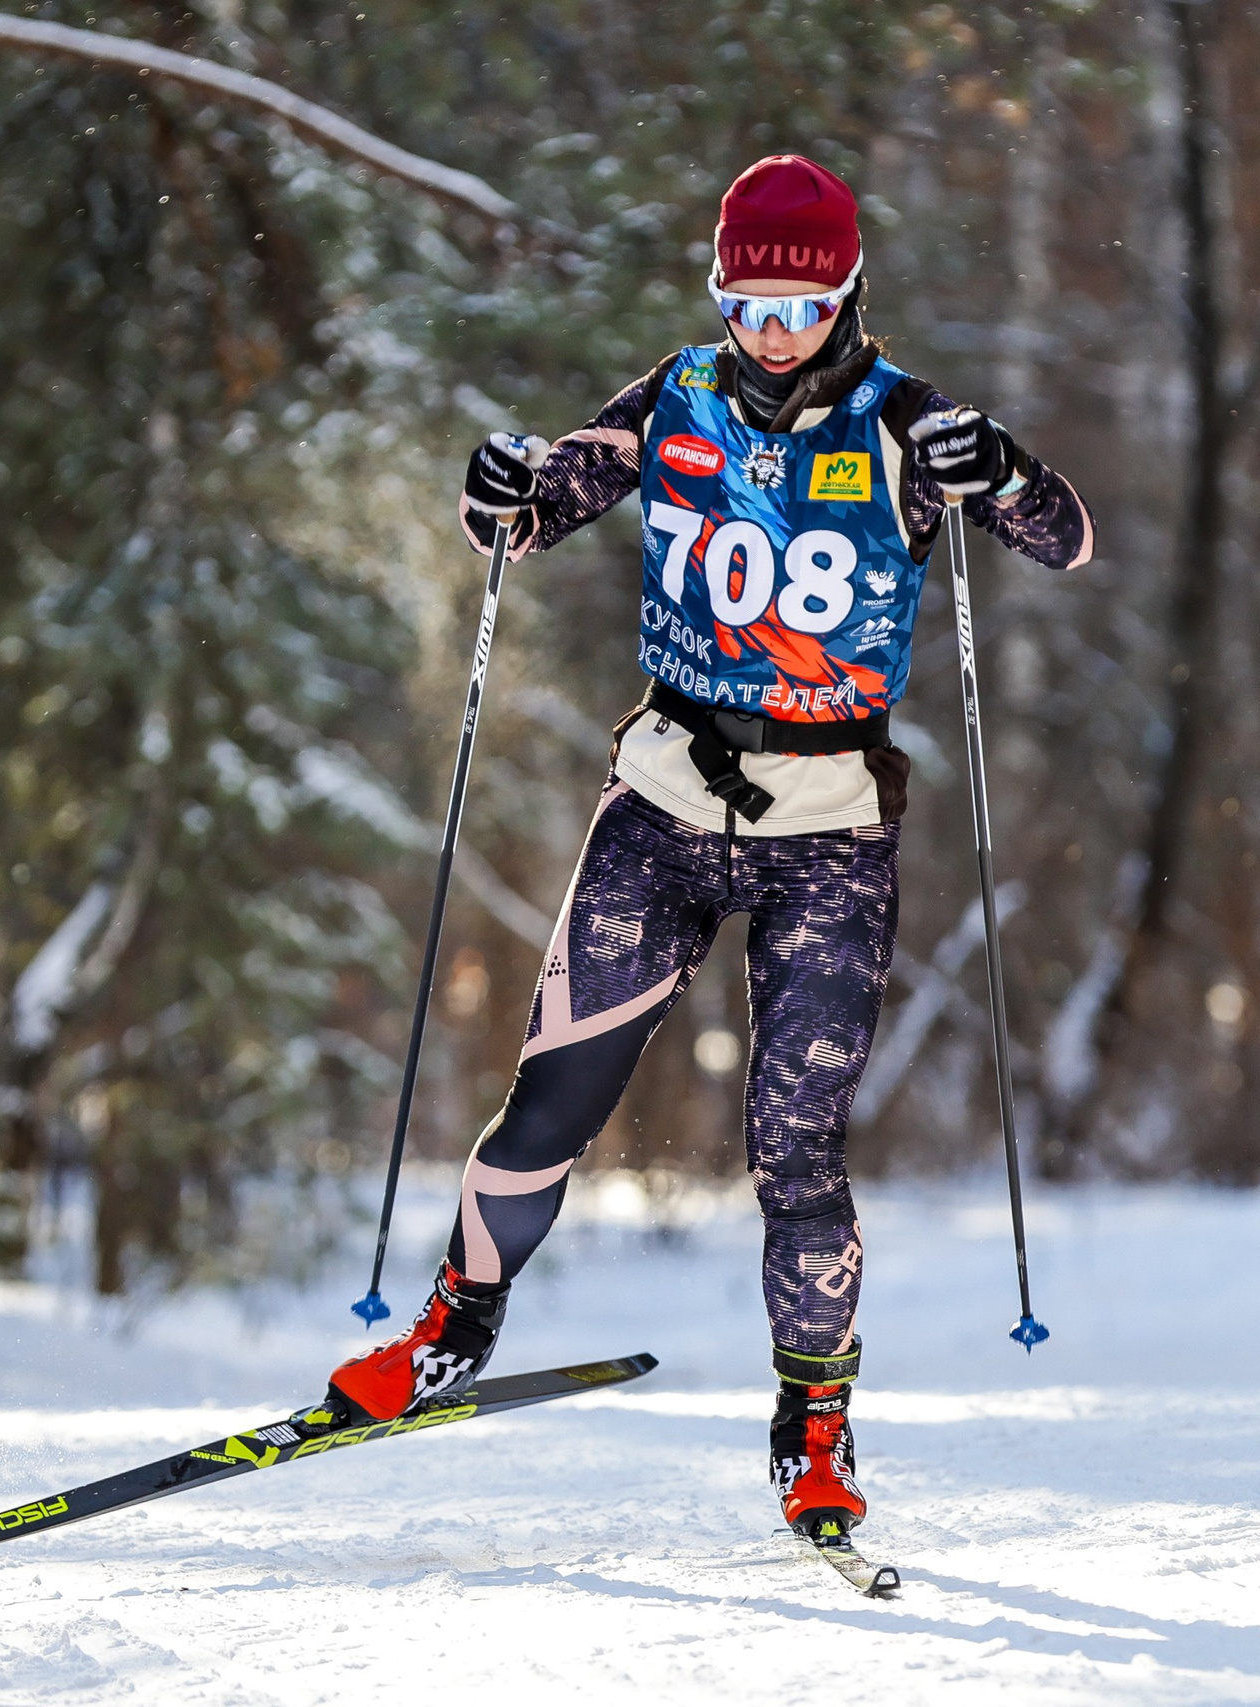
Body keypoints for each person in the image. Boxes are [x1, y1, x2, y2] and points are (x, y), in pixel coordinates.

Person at [314, 157, 1095, 1538]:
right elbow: (537, 505)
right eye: (747, 302)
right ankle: (450, 1327)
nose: (771, 335)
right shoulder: (676, 396)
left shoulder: (908, 422)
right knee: (549, 1102)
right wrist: (496, 486)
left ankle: (817, 1426)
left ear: (851, 291)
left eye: (800, 308)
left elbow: (1062, 534)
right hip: (665, 805)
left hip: (829, 838)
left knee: (796, 1150)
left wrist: (1007, 468)